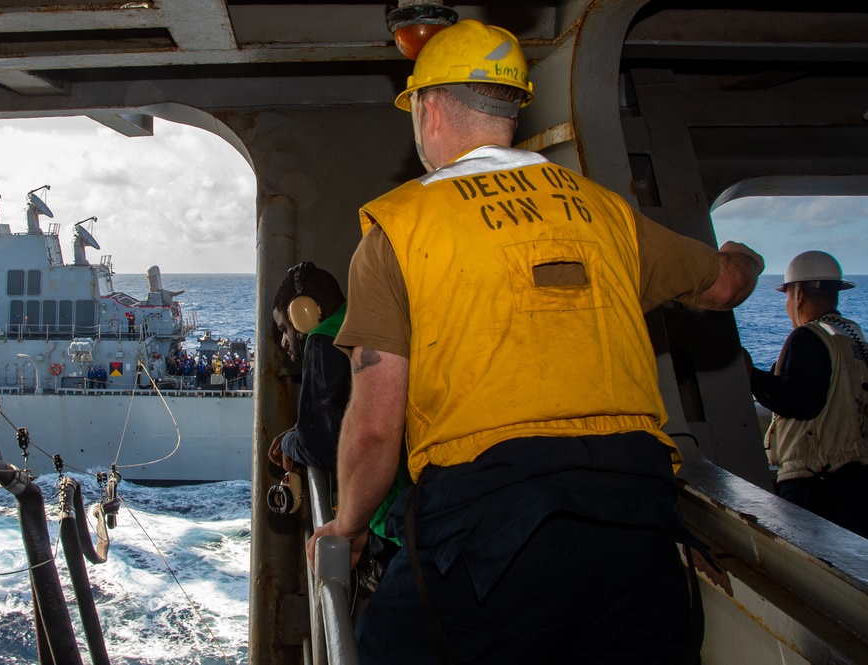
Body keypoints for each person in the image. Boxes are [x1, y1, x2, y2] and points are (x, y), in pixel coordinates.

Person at [306, 19, 764, 664]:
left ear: (429, 109)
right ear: (513, 110)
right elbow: (723, 287)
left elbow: (378, 425)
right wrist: (747, 260)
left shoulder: (399, 228)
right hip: (638, 513)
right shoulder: (606, 212)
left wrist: (349, 526)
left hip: (489, 522)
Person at [746, 250, 868, 538]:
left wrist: (751, 376)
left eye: (788, 296)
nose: (788, 305)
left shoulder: (808, 337)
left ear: (798, 294)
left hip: (815, 480)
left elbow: (801, 401)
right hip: (854, 478)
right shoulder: (853, 336)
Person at [268, 262, 351, 472]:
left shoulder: (323, 338)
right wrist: (298, 430)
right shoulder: (353, 323)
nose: (284, 342)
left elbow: (321, 446)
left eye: (284, 329)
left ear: (303, 312)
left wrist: (288, 444)